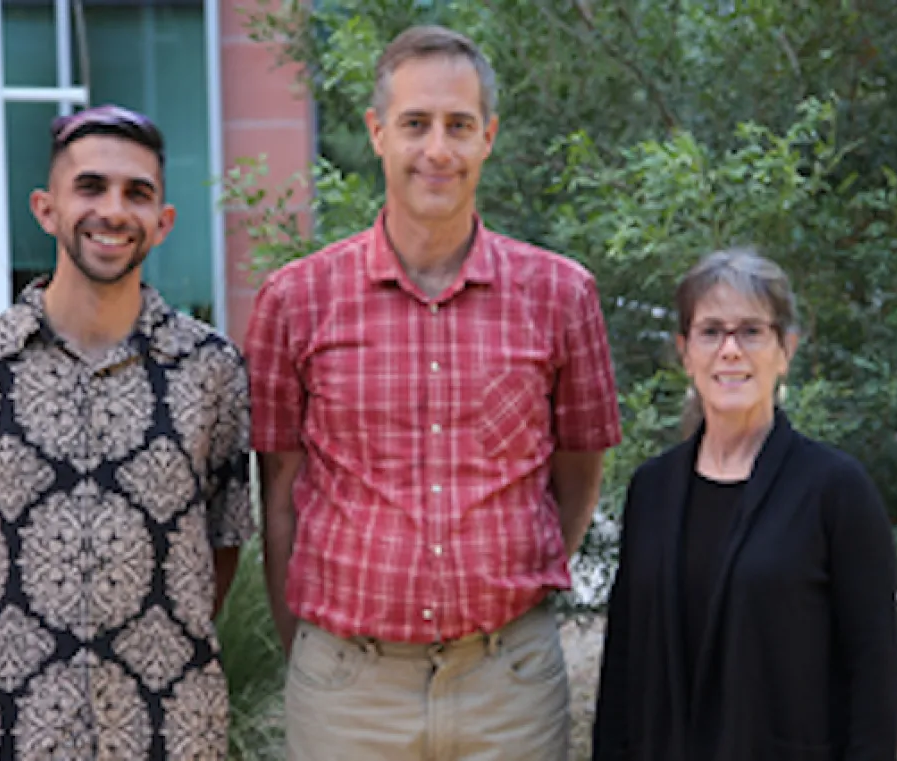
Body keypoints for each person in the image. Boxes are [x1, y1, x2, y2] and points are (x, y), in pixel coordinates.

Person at [245, 24, 621, 761]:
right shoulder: (296, 300)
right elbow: (280, 492)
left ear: (489, 136)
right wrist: (314, 654)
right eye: (415, 124)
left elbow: (577, 472)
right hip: (348, 689)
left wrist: (510, 590)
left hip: (508, 682)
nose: (437, 149)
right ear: (378, 132)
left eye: (458, 125)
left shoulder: (561, 295)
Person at [0, 104, 254, 760]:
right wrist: (11, 654)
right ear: (47, 207)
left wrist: (153, 642)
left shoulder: (211, 370)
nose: (113, 210)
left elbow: (219, 543)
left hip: (166, 722)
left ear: (163, 221)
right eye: (90, 187)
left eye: (137, 193)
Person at [593, 249, 897, 761]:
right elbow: (622, 661)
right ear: (685, 351)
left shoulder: (836, 490)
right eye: (711, 331)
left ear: (787, 350)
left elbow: (872, 673)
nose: (730, 350)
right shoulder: (652, 489)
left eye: (752, 331)